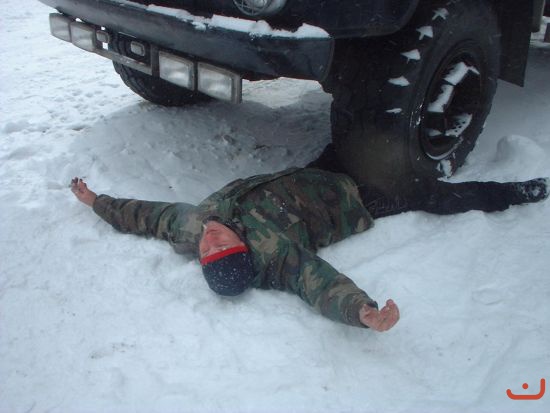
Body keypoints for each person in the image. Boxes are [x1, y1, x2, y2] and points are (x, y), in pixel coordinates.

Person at [70, 152, 548, 332]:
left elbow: (144, 216)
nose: (211, 240)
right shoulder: (276, 257)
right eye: (222, 247)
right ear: (244, 250)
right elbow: (318, 282)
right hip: (354, 198)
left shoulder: (191, 226)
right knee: (433, 195)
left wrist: (96, 201)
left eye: (209, 250)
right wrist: (362, 312)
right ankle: (517, 191)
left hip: (313, 172)